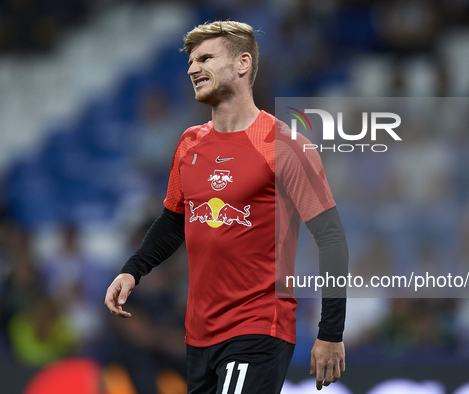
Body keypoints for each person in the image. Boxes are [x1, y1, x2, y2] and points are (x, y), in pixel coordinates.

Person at [105, 21, 348, 394]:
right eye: (190, 61)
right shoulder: (189, 143)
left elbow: (331, 239)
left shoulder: (284, 146)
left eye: (205, 58)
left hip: (257, 326)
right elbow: (174, 222)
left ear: (242, 64)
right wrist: (133, 271)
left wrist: (330, 332)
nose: (191, 69)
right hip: (198, 334)